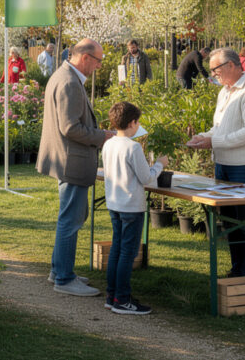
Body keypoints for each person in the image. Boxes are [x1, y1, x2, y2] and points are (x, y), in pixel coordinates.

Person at [36, 38, 114, 297]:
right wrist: (103, 136)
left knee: (70, 217)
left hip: (65, 158)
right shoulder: (69, 81)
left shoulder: (63, 75)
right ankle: (65, 278)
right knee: (71, 220)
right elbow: (70, 127)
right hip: (71, 160)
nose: (99, 67)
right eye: (98, 61)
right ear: (85, 58)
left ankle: (59, 271)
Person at [188, 49, 245, 277]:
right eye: (212, 69)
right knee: (231, 224)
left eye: (216, 69)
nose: (213, 74)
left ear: (233, 65)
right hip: (224, 164)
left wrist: (214, 141)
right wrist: (204, 137)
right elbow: (221, 128)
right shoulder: (225, 92)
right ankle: (238, 271)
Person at [102, 101, 167, 315]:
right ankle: (122, 298)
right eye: (138, 122)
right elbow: (147, 178)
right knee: (127, 253)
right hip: (131, 206)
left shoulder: (109, 143)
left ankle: (112, 295)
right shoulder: (133, 147)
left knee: (117, 249)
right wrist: (160, 164)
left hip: (114, 203)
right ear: (132, 123)